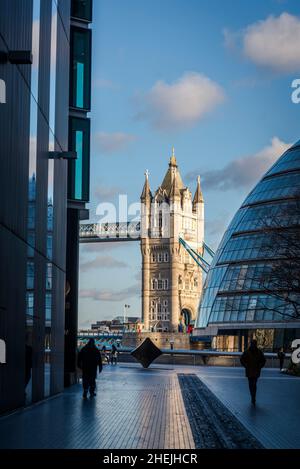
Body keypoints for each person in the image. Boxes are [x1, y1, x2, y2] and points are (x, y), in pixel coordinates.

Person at [240, 339, 266, 405]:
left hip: (255, 371)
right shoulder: (247, 352)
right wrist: (246, 365)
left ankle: (253, 397)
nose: (253, 345)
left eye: (254, 344)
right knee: (251, 384)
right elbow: (242, 359)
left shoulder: (258, 352)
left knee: (253, 384)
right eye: (252, 344)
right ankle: (253, 396)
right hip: (250, 371)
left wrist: (260, 366)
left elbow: (263, 360)